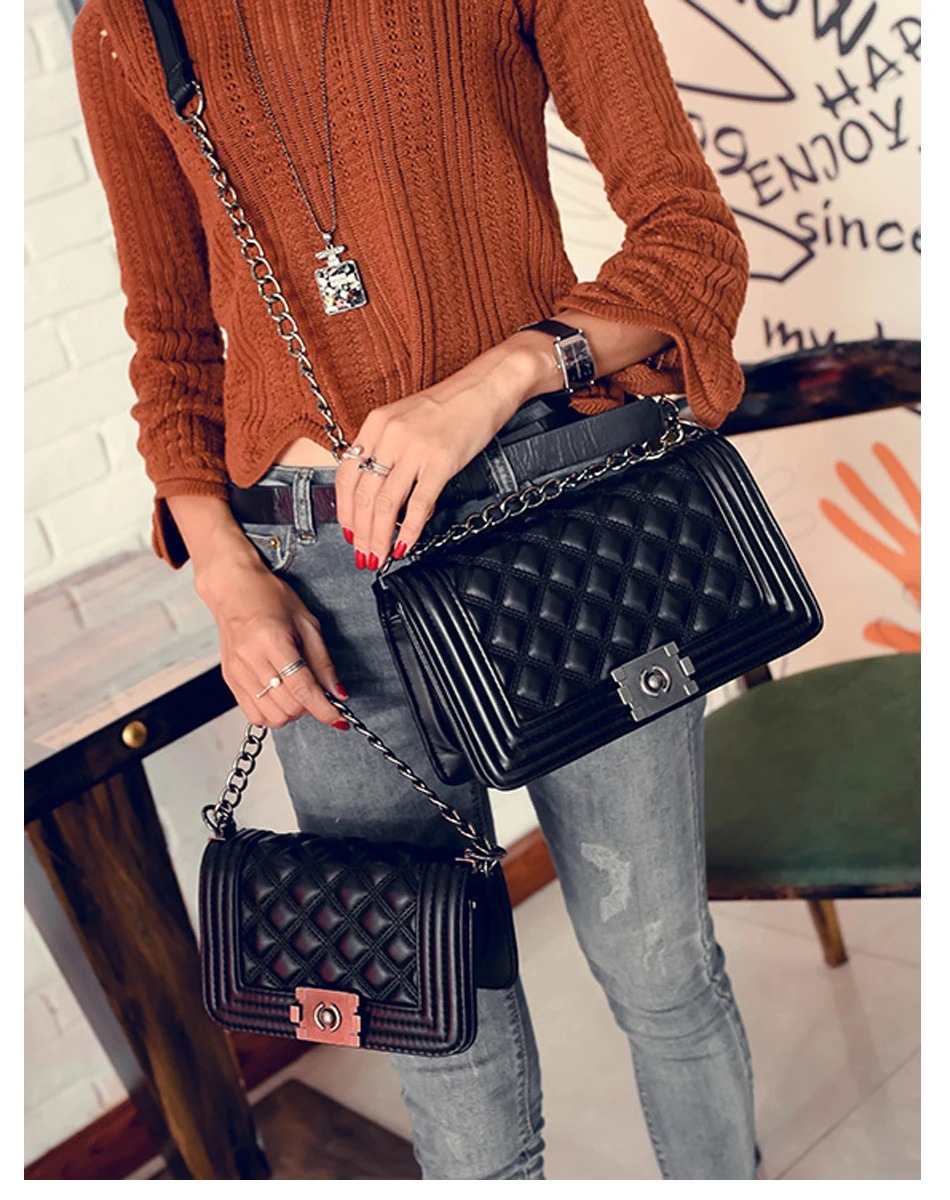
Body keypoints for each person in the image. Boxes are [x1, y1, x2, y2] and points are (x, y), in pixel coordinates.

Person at [73, 0, 756, 1180]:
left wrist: (492, 379)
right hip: (314, 579)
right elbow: (171, 343)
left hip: (551, 522)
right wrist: (227, 574)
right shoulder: (124, 27)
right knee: (440, 1037)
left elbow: (688, 238)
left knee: (657, 969)